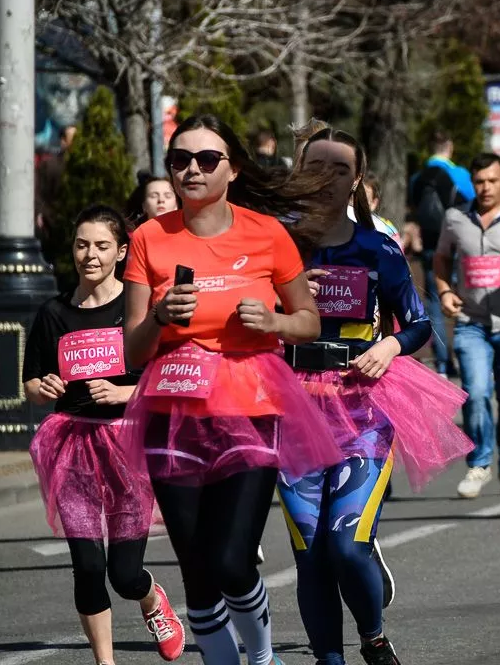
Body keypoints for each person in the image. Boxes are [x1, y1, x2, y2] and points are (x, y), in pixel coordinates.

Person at [122, 113, 343, 665]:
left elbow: (309, 321)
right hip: (173, 409)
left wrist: (273, 325)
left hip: (251, 403)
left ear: (233, 169)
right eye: (180, 160)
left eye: (206, 159)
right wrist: (159, 319)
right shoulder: (148, 239)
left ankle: (263, 657)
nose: (191, 169)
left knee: (230, 561)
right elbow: (130, 350)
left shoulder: (266, 234)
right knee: (197, 571)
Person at [278, 126, 472, 665]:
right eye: (317, 165)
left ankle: (372, 636)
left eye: (341, 168)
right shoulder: (277, 247)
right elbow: (240, 320)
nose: (328, 178)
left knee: (346, 543)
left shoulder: (377, 247)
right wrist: (282, 298)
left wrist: (389, 345)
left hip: (363, 407)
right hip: (291, 410)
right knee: (312, 556)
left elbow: (418, 324)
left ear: (357, 180)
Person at [23, 205, 185, 665]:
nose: (89, 255)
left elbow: (168, 375)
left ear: (119, 253)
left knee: (124, 572)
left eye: (100, 246)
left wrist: (123, 393)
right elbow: (33, 382)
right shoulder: (53, 313)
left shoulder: (137, 311)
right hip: (70, 444)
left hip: (127, 443)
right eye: (81, 244)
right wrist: (44, 387)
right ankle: (105, 662)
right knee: (88, 567)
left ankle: (151, 597)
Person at [434, 153, 500, 498]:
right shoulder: (455, 218)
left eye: (493, 180)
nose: (486, 188)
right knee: (476, 393)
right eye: (480, 181)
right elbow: (441, 258)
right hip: (471, 322)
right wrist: (445, 290)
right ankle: (479, 464)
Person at [411, 134, 475, 376]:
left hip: (430, 246)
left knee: (435, 304)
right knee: (464, 300)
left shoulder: (417, 178)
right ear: (450, 146)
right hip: (457, 245)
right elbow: (473, 204)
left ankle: (442, 365)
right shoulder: (460, 174)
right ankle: (464, 357)